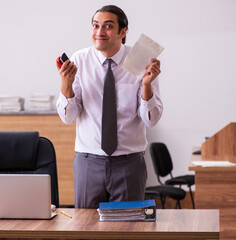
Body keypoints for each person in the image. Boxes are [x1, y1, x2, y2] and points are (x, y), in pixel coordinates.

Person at [56, 5, 163, 208]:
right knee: (85, 228)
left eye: (107, 27)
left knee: (128, 230)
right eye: (95, 26)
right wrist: (66, 85)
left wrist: (147, 86)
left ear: (123, 32)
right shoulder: (80, 60)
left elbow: (151, 120)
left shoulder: (141, 61)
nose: (99, 32)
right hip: (88, 162)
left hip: (129, 163)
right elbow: (68, 117)